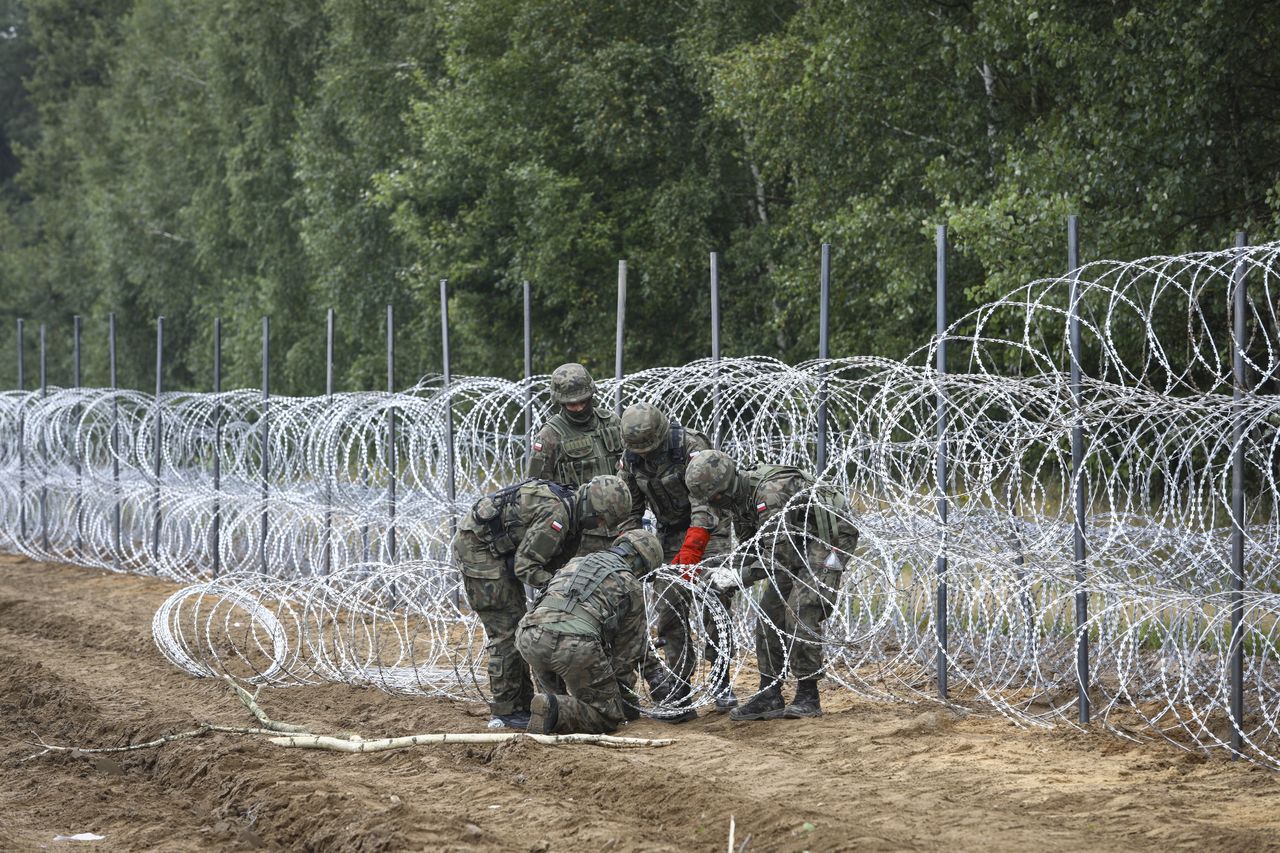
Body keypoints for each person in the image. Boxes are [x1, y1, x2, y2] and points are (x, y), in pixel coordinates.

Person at [682, 450, 858, 721]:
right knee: (769, 614)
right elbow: (753, 549)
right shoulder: (739, 501)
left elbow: (778, 557)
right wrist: (724, 574)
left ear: (724, 487)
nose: (714, 505)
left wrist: (738, 577)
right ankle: (769, 693)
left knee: (801, 608)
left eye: (714, 498)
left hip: (829, 539)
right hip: (795, 542)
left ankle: (808, 695)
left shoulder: (769, 494)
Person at [453, 474, 632, 729]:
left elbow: (556, 562)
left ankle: (527, 703)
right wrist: (559, 588)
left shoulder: (573, 512)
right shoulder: (557, 514)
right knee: (507, 629)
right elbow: (526, 566)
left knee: (523, 622)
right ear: (593, 509)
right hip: (478, 550)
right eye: (601, 519)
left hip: (502, 550)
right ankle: (506, 710)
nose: (600, 525)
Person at [616, 402, 736, 721]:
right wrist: (632, 545)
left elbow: (705, 499)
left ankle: (721, 679)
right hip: (668, 536)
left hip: (710, 530)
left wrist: (694, 545)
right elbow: (630, 508)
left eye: (650, 447)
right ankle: (680, 690)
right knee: (669, 613)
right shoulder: (630, 458)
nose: (646, 454)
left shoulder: (689, 446)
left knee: (716, 604)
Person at [515, 529, 665, 735]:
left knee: (552, 695)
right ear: (641, 563)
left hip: (529, 635)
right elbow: (626, 656)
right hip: (574, 645)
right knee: (606, 715)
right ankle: (555, 709)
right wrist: (625, 702)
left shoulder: (577, 562)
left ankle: (549, 707)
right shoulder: (630, 585)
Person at [527, 363, 625, 556]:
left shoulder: (612, 423)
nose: (579, 408)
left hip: (621, 527)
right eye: (572, 404)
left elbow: (632, 469)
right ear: (560, 402)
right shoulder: (550, 436)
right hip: (580, 538)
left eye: (584, 401)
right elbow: (536, 491)